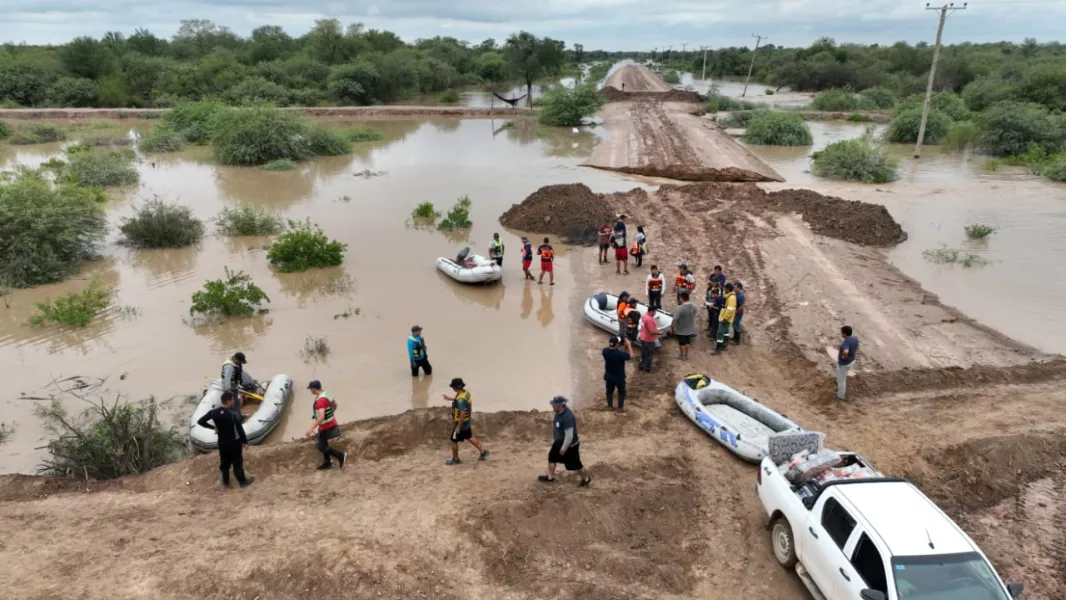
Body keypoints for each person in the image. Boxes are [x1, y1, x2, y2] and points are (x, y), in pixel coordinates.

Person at [197, 391, 254, 488]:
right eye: (232, 400)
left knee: (225, 463)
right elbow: (239, 429)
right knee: (237, 462)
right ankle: (243, 482)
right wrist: (245, 442)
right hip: (234, 442)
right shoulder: (232, 414)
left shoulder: (213, 412)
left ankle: (226, 483)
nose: (233, 402)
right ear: (228, 401)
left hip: (222, 443)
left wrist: (213, 428)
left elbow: (200, 421)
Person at [538, 396, 590, 486]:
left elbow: (569, 436)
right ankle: (550, 477)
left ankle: (586, 479)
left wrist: (564, 448)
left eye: (554, 405)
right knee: (552, 457)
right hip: (559, 442)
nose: (552, 406)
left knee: (576, 464)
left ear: (560, 406)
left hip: (570, 445)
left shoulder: (567, 417)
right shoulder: (558, 413)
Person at [441, 378, 488, 464]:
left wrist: (458, 427)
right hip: (467, 422)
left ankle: (455, 459)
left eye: (453, 387)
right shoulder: (466, 393)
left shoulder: (461, 400)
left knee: (453, 440)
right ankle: (483, 451)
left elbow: (462, 413)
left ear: (455, 387)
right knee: (469, 436)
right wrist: (450, 399)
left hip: (461, 424)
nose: (452, 388)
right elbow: (461, 401)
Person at [305, 380, 346, 470]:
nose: (310, 391)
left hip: (326, 426)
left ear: (314, 389)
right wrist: (330, 414)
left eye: (310, 389)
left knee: (320, 446)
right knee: (323, 443)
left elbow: (321, 417)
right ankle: (327, 462)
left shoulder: (320, 400)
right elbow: (335, 405)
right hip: (331, 422)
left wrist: (311, 428)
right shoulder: (327, 393)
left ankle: (340, 456)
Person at [220, 352, 257, 418]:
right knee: (232, 404)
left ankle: (239, 416)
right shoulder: (229, 367)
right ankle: (235, 419)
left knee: (236, 403)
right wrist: (228, 390)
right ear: (236, 359)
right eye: (240, 361)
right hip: (230, 388)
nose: (240, 363)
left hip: (234, 386)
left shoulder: (234, 362)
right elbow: (227, 378)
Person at [602, 336, 632, 411]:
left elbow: (618, 353)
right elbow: (631, 356)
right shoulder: (620, 354)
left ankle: (609, 406)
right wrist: (629, 345)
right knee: (621, 392)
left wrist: (623, 348)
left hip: (609, 376)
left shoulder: (604, 351)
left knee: (609, 391)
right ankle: (620, 408)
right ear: (616, 345)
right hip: (619, 377)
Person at [671, 292, 698, 361]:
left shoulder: (680, 308)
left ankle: (681, 355)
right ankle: (686, 355)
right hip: (690, 329)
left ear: (681, 298)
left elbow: (675, 319)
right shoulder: (694, 306)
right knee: (687, 342)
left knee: (681, 343)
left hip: (681, 329)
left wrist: (672, 327)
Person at [837, 326, 860, 400]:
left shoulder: (846, 342)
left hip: (845, 363)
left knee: (841, 380)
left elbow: (846, 351)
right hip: (852, 360)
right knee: (842, 376)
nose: (840, 333)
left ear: (844, 334)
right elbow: (856, 346)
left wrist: (843, 357)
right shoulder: (855, 338)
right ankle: (839, 381)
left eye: (841, 332)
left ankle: (840, 396)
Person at [715, 283, 737, 355]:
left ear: (728, 289)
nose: (724, 290)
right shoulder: (729, 297)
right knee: (726, 332)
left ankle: (718, 349)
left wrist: (725, 318)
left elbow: (730, 310)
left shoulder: (731, 298)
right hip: (725, 318)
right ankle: (724, 345)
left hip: (725, 319)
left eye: (725, 288)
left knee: (720, 333)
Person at [638, 306, 660, 372]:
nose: (655, 313)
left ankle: (641, 365)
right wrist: (660, 333)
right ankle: (647, 369)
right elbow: (651, 332)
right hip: (649, 340)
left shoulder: (644, 315)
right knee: (649, 355)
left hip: (643, 337)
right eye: (655, 311)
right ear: (651, 311)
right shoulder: (649, 319)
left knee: (643, 353)